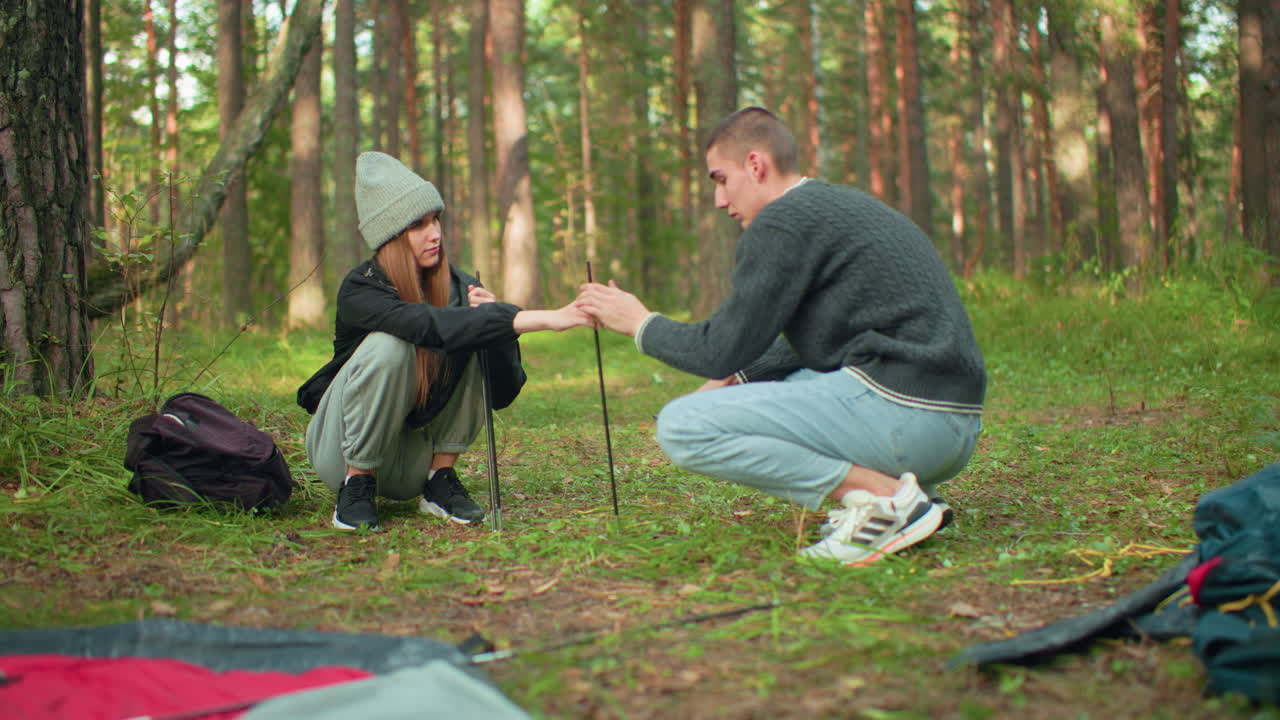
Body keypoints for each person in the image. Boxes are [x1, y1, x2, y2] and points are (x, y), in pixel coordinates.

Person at [576, 107, 985, 565]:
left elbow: (718, 349)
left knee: (683, 426)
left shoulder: (782, 222)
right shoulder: (836, 208)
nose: (719, 200)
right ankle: (915, 497)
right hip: (952, 430)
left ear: (755, 165)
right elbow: (805, 338)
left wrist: (639, 322)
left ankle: (886, 501)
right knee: (774, 384)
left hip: (908, 421)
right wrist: (738, 378)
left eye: (720, 179)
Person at [298, 151, 588, 531]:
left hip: (408, 463)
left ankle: (439, 481)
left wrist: (495, 329)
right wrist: (546, 319)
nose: (434, 232)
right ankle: (357, 485)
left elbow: (503, 392)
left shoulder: (460, 287)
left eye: (435, 219)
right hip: (340, 449)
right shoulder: (361, 289)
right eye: (418, 224)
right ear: (392, 235)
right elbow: (424, 324)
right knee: (393, 343)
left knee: (471, 330)